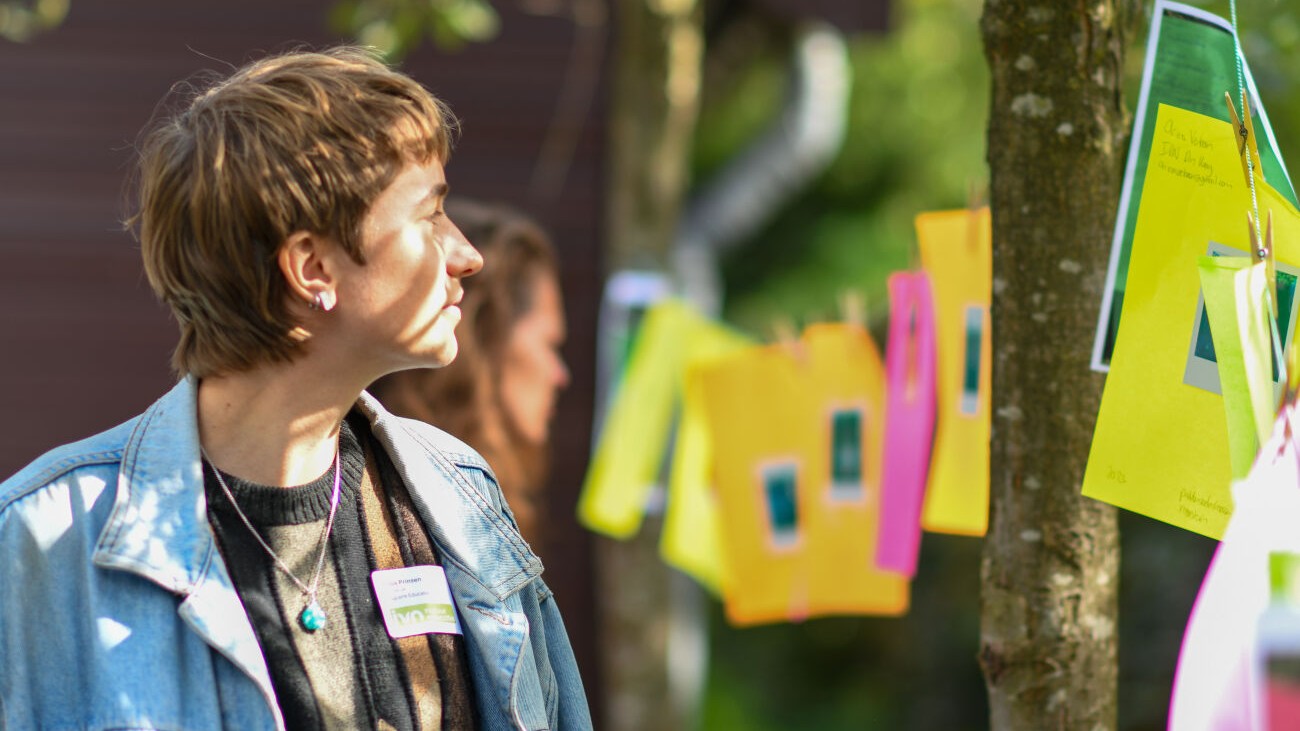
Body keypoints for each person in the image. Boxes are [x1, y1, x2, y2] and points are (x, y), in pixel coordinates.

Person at [0, 47, 592, 730]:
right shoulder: (39, 545)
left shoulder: (460, 494)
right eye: (429, 215)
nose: (467, 255)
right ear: (313, 268)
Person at [370, 200, 569, 556]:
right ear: (487, 338)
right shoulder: (399, 502)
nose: (560, 376)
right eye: (549, 344)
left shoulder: (477, 492)